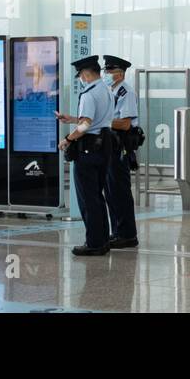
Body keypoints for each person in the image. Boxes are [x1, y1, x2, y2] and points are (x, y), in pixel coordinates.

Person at [56, 55, 114, 256]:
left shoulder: (89, 93)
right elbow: (96, 120)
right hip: (103, 146)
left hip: (88, 149)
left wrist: (69, 139)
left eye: (80, 74)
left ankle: (94, 244)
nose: (80, 78)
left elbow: (86, 125)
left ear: (86, 73)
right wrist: (72, 118)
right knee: (97, 196)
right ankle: (103, 240)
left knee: (88, 198)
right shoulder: (105, 89)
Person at [101, 55, 139, 249]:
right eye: (105, 71)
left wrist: (101, 122)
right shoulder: (110, 90)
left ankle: (127, 234)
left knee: (119, 190)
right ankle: (117, 231)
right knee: (110, 191)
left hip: (120, 145)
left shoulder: (126, 92)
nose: (106, 74)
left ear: (120, 73)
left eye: (110, 71)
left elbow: (125, 123)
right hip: (109, 144)